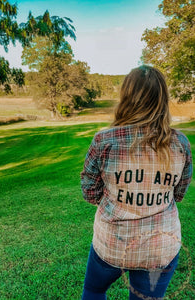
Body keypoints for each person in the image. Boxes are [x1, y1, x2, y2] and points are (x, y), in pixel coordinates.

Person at [80, 65, 192, 300]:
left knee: (94, 290)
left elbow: (89, 192)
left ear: (126, 97)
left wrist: (119, 201)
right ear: (163, 99)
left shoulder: (104, 140)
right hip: (160, 249)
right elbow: (179, 193)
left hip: (112, 243)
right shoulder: (181, 143)